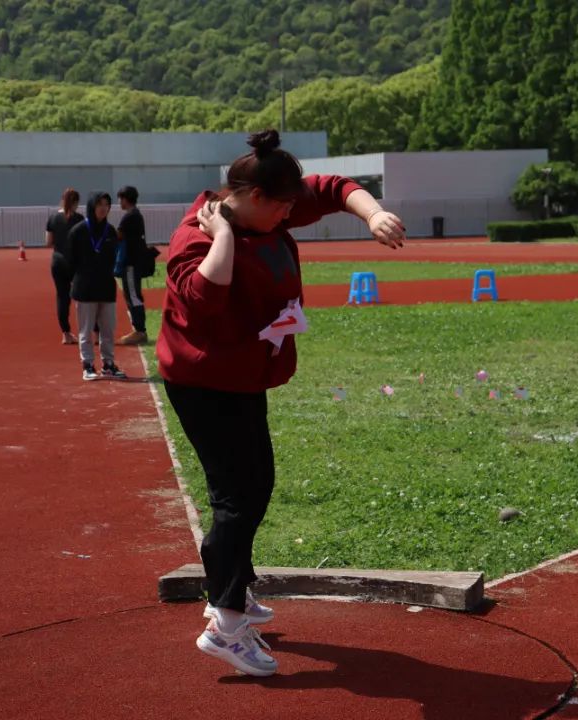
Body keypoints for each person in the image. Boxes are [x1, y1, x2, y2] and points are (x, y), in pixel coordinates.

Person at [158, 129, 405, 677]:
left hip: (241, 375)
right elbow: (203, 298)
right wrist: (221, 232)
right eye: (283, 207)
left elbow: (336, 187)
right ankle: (225, 625)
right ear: (252, 198)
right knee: (237, 496)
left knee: (254, 484)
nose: (291, 215)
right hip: (203, 381)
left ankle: (233, 589)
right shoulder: (195, 237)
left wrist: (373, 215)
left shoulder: (264, 210)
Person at [66, 191, 126, 381]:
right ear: (92, 206)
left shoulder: (110, 231)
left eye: (106, 204)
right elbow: (70, 260)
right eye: (99, 204)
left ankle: (108, 364)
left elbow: (115, 256)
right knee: (86, 330)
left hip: (106, 287)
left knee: (108, 329)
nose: (103, 208)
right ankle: (88, 365)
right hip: (85, 288)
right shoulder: (78, 231)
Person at [114, 185, 159, 345]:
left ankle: (140, 331)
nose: (119, 202)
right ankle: (138, 329)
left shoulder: (130, 216)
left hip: (131, 263)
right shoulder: (136, 215)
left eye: (120, 198)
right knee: (132, 295)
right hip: (134, 262)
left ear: (125, 199)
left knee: (133, 295)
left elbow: (118, 235)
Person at [46, 188, 84, 345]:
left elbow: (48, 242)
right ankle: (89, 331)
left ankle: (66, 333)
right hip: (75, 262)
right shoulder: (80, 218)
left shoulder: (53, 217)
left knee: (62, 297)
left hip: (57, 261)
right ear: (76, 202)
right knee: (83, 297)